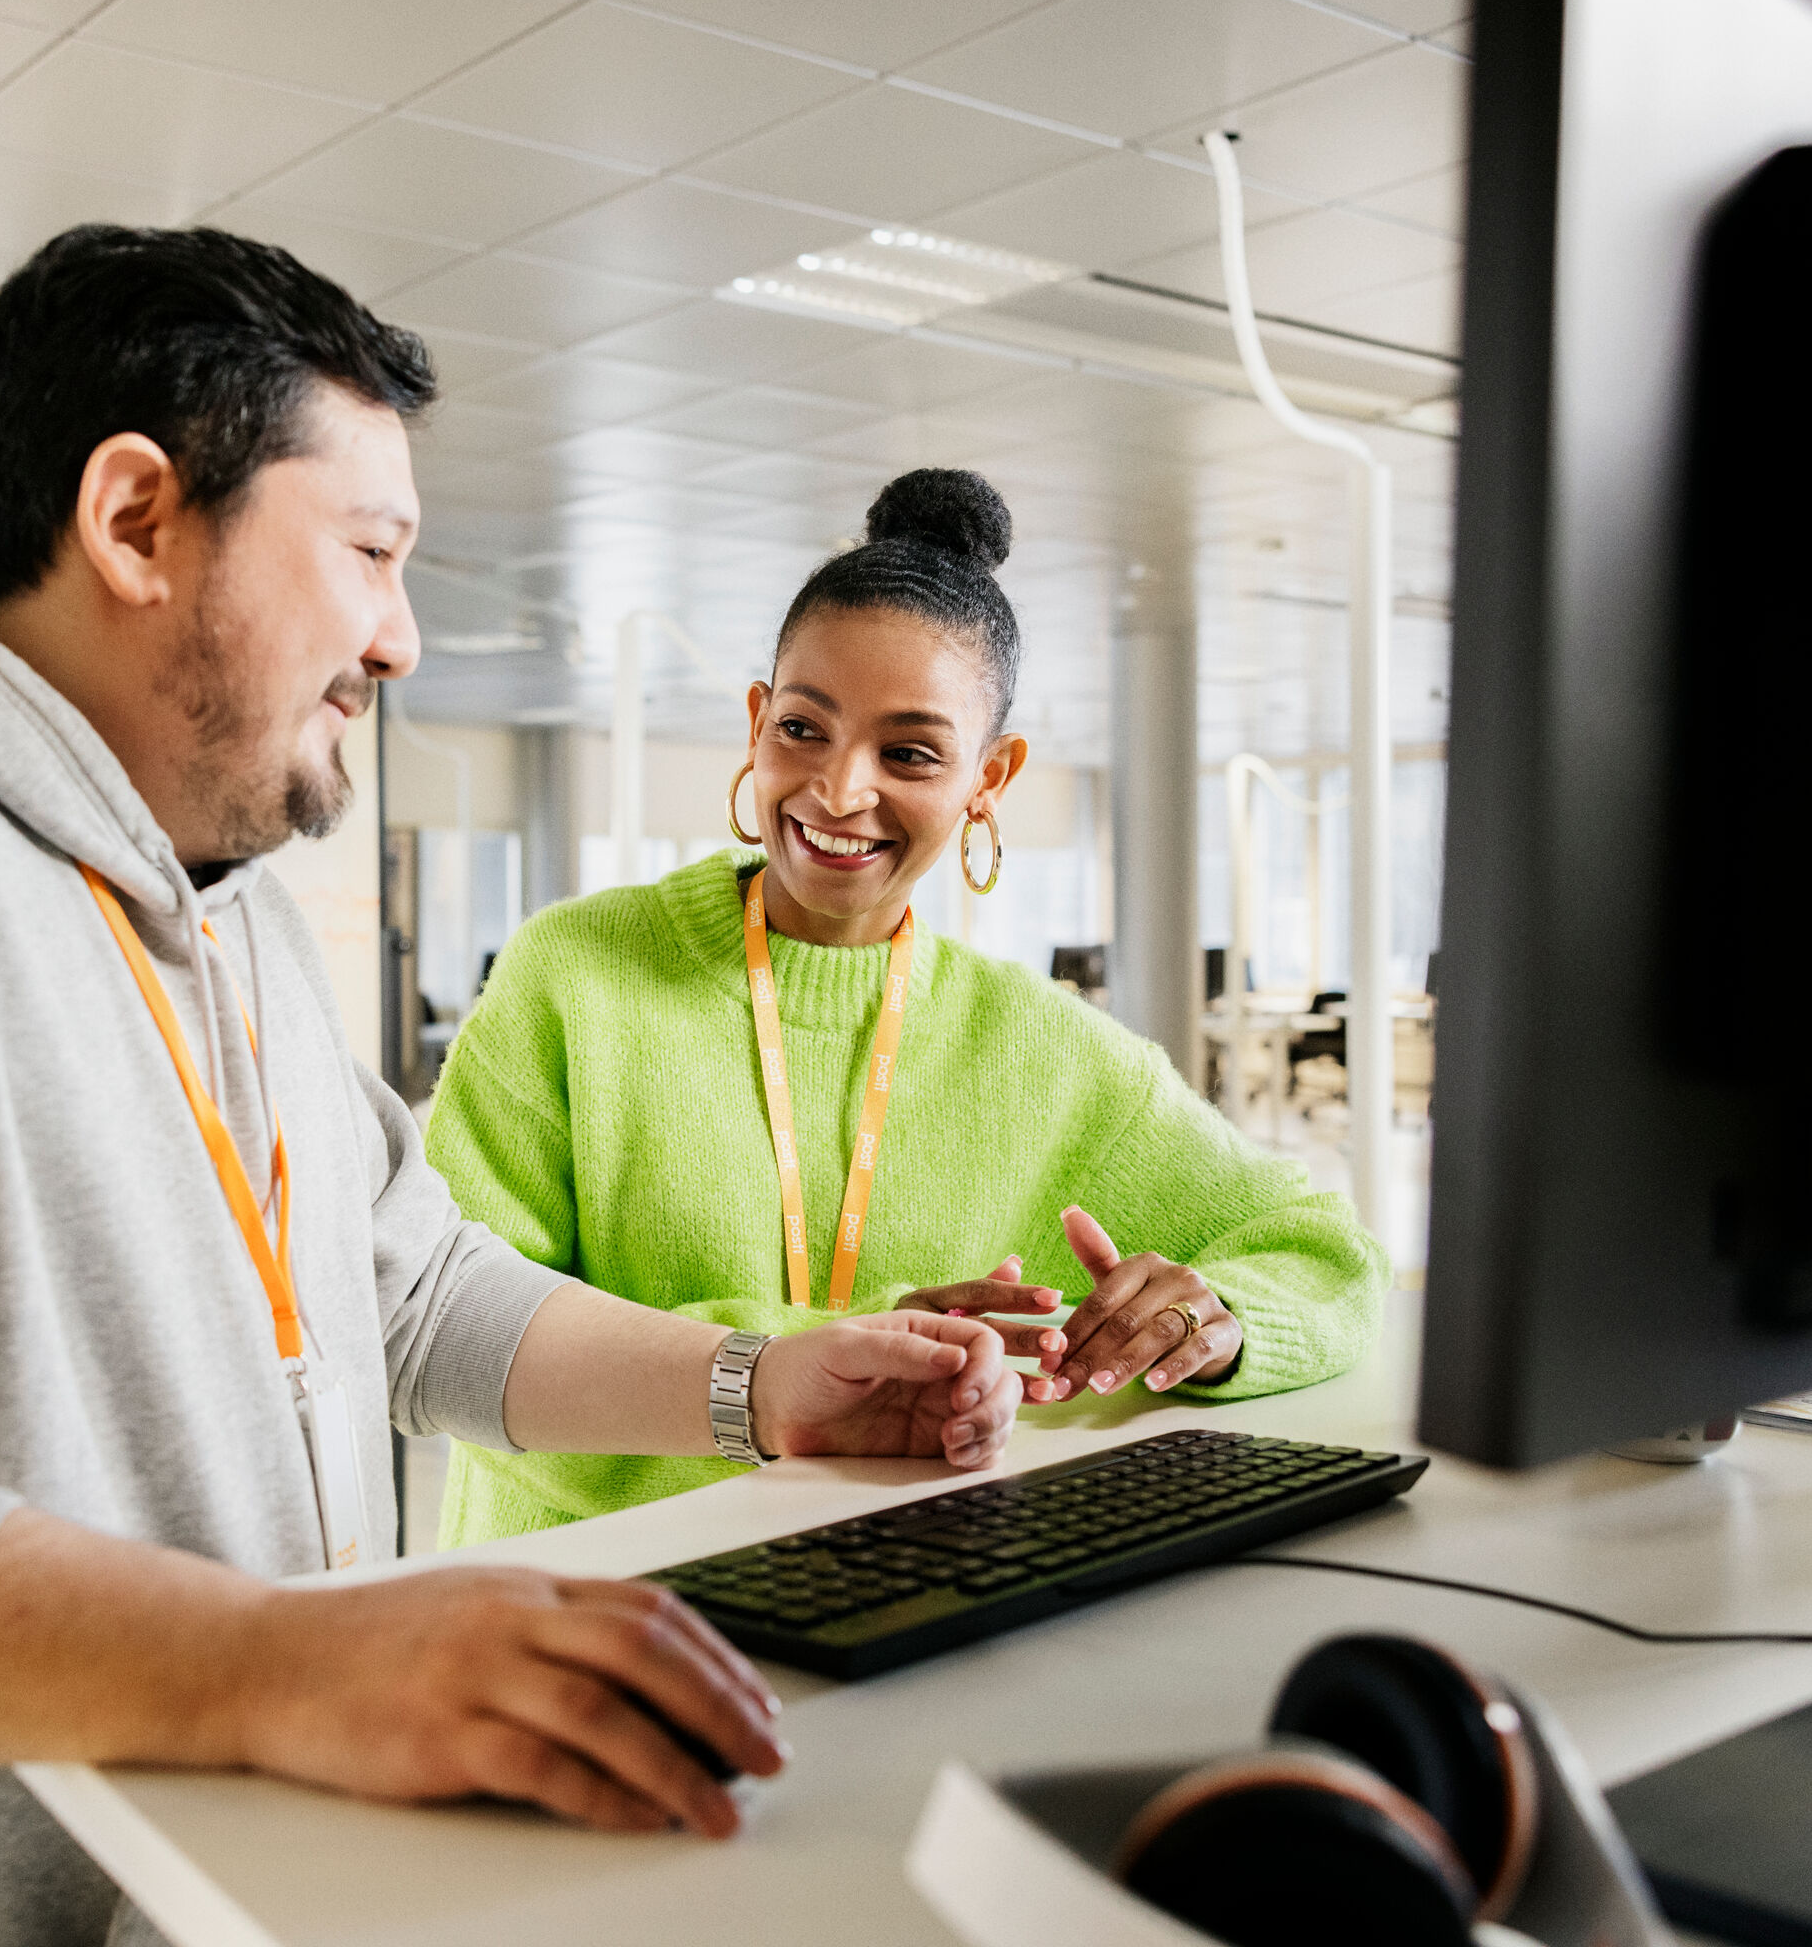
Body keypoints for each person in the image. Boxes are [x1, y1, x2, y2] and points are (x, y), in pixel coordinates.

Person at [0, 227, 1028, 1947]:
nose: (399, 639)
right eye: (368, 553)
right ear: (133, 520)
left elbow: (398, 1289)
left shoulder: (212, 902)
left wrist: (759, 1388)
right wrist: (268, 1667)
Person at [425, 468, 1389, 1547]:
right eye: (803, 728)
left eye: (910, 752)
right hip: (572, 1600)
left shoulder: (1044, 1049)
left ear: (989, 777)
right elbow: (457, 1341)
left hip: (871, 1596)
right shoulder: (572, 977)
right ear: (754, 721)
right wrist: (817, 1357)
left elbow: (1330, 1253)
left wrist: (1212, 1321)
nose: (838, 791)